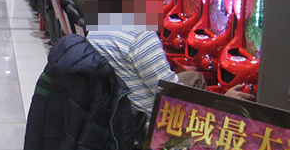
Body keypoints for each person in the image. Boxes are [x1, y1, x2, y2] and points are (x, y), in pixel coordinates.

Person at [87, 31, 256, 118]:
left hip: (114, 110)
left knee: (194, 77)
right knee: (230, 106)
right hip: (150, 118)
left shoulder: (98, 28)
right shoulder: (140, 37)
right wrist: (223, 102)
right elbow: (172, 97)